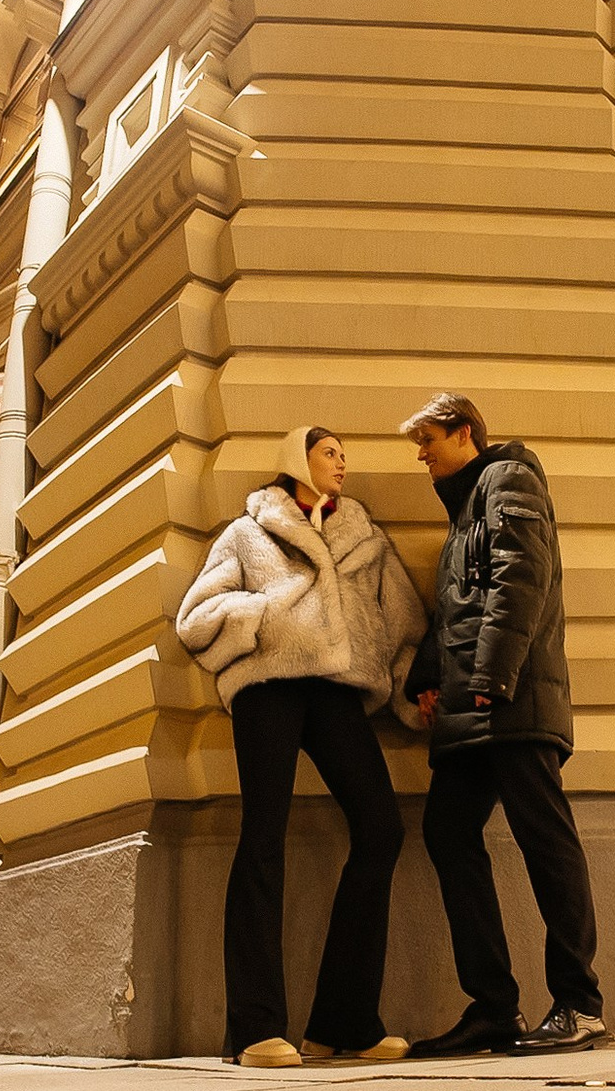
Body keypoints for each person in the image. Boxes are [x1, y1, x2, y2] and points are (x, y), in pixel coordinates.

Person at [175, 426, 428, 1068]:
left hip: (338, 691)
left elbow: (404, 627)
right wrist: (268, 616)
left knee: (381, 827)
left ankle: (344, 1020)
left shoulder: (364, 539)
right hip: (269, 684)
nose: (342, 462)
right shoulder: (248, 532)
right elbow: (196, 618)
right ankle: (255, 1029)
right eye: (328, 453)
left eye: (344, 454)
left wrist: (414, 695)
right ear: (297, 460)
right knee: (264, 834)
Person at [398, 393, 606, 1056]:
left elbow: (522, 578)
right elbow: (456, 608)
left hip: (511, 699)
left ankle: (580, 1004)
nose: (421, 455)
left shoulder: (509, 477)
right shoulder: (466, 509)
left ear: (465, 432)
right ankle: (494, 1008)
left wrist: (491, 675)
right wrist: (429, 678)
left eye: (428, 440)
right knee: (447, 831)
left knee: (545, 839)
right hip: (476, 703)